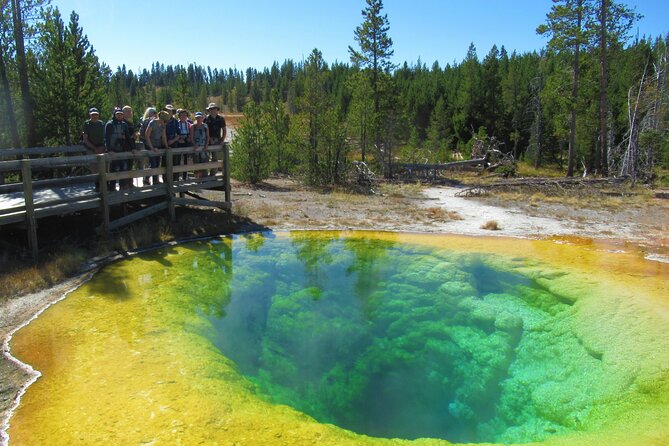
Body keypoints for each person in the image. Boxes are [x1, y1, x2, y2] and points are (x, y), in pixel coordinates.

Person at [105, 108, 132, 191]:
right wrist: (109, 150)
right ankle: (112, 187)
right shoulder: (109, 124)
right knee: (113, 169)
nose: (119, 115)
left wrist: (133, 148)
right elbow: (107, 138)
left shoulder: (124, 125)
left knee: (123, 168)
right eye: (118, 114)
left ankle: (122, 186)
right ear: (114, 115)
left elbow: (128, 137)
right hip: (113, 151)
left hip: (122, 150)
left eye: (121, 114)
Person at [145, 110, 171, 185]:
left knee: (157, 164)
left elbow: (164, 136)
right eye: (165, 121)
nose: (165, 123)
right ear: (161, 119)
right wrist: (152, 148)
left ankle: (153, 180)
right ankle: (150, 179)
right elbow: (147, 136)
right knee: (153, 163)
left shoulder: (163, 125)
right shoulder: (152, 123)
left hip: (158, 145)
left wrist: (166, 146)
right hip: (151, 145)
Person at [205, 102, 226, 176]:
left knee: (215, 158)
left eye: (214, 109)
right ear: (209, 110)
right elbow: (204, 130)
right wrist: (209, 139)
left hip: (217, 140)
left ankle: (212, 174)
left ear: (217, 110)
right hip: (206, 141)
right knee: (205, 158)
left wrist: (222, 140)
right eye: (211, 109)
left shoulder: (221, 119)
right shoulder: (206, 119)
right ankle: (204, 175)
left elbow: (224, 130)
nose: (213, 110)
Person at [121, 105, 138, 188]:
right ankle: (124, 185)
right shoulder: (122, 123)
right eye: (128, 111)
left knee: (130, 166)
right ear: (123, 113)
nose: (130, 113)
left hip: (131, 148)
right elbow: (123, 136)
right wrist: (131, 137)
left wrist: (134, 136)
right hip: (124, 148)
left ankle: (130, 183)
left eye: (130, 111)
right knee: (124, 167)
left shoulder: (130, 123)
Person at [189, 111, 209, 178]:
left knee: (204, 162)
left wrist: (206, 145)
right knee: (196, 163)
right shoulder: (192, 126)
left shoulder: (205, 126)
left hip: (203, 147)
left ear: (202, 118)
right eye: (197, 118)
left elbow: (207, 136)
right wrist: (194, 144)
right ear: (195, 118)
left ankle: (204, 178)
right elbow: (191, 137)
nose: (199, 119)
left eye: (200, 118)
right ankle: (197, 178)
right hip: (196, 148)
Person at [174, 109, 191, 180]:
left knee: (185, 161)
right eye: (182, 115)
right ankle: (176, 177)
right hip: (179, 143)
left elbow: (190, 133)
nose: (183, 116)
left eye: (185, 115)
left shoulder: (189, 124)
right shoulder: (176, 123)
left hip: (186, 143)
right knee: (177, 161)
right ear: (179, 116)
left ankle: (184, 177)